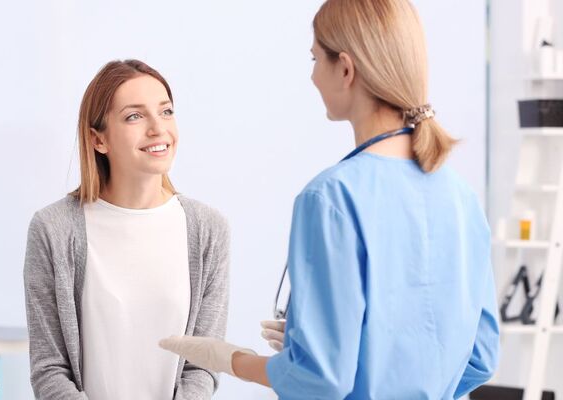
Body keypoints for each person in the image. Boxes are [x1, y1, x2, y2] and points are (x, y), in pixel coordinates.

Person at [159, 1, 500, 398]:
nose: (313, 76)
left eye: (315, 58)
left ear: (345, 68)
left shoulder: (330, 199)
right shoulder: (461, 196)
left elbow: (321, 381)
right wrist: (356, 353)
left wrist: (234, 360)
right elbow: (480, 358)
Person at [24, 59, 230, 400]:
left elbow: (203, 365)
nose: (158, 129)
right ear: (98, 139)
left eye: (166, 111)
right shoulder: (54, 230)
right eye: (134, 116)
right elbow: (49, 369)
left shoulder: (208, 229)